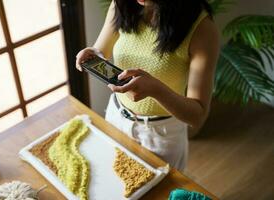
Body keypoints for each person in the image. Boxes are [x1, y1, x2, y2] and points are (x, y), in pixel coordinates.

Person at [76, 0, 219, 171]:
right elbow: (102, 50)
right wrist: (95, 54)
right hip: (116, 117)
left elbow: (198, 115)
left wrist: (155, 90)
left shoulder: (202, 29)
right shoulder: (122, 4)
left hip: (161, 134)